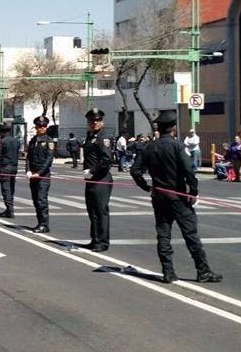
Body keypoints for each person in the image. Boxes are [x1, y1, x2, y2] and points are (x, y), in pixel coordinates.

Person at [130, 111, 223, 284]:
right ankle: (203, 271)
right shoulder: (177, 146)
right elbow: (189, 171)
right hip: (178, 198)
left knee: (163, 235)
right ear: (173, 128)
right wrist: (193, 191)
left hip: (159, 197)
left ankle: (168, 272)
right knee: (191, 235)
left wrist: (147, 187)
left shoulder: (149, 147)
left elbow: (135, 171)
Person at [82, 108, 114, 252]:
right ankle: (95, 239)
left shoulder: (103, 137)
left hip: (101, 179)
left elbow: (106, 160)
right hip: (91, 179)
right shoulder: (90, 136)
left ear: (102, 121)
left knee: (101, 211)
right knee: (92, 210)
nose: (94, 123)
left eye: (97, 120)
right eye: (92, 121)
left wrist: (92, 171)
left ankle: (102, 241)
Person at [26, 116, 54, 233]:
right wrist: (27, 170)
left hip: (43, 176)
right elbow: (28, 157)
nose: (41, 128)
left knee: (42, 200)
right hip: (33, 175)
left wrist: (39, 173)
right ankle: (39, 222)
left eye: (43, 126)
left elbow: (49, 159)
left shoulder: (49, 141)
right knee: (35, 200)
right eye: (39, 126)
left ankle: (44, 224)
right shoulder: (33, 140)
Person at [0, 124, 20, 218]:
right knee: (12, 188)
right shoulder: (16, 141)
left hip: (5, 168)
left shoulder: (2, 142)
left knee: (6, 189)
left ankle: (10, 210)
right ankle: (9, 208)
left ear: (2, 132)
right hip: (14, 167)